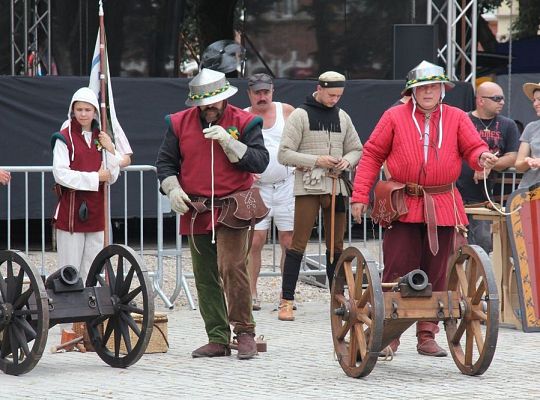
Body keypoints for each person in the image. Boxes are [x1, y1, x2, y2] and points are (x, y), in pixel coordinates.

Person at [350, 61, 498, 357]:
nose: (428, 91)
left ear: (442, 89)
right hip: (402, 202)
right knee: (397, 268)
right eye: (422, 87)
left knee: (438, 270)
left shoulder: (456, 117)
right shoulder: (393, 116)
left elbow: (472, 147)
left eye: (433, 86)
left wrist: (482, 156)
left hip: (442, 202)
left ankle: (427, 334)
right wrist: (358, 196)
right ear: (412, 91)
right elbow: (372, 155)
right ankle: (389, 333)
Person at [156, 68, 269, 359]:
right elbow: (165, 164)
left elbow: (259, 162)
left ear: (224, 98)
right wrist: (172, 189)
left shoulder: (245, 121)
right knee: (204, 274)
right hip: (196, 208)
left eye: (214, 103)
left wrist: (229, 142)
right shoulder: (179, 124)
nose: (208, 109)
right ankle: (217, 337)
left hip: (233, 206)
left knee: (232, 268)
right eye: (202, 104)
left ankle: (244, 332)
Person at [277, 71, 363, 321]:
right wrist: (317, 160)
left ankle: (338, 299)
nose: (335, 99)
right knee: (298, 244)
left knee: (336, 247)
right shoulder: (299, 115)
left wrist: (346, 161)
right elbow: (284, 154)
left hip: (336, 187)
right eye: (331, 94)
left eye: (339, 95)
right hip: (308, 188)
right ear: (319, 88)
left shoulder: (343, 116)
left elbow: (357, 148)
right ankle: (286, 301)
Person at [51, 87, 121, 280]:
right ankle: (69, 307)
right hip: (71, 211)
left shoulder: (102, 138)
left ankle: (92, 305)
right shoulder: (63, 138)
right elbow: (60, 174)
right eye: (79, 109)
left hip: (97, 210)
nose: (83, 114)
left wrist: (111, 150)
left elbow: (112, 174)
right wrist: (94, 178)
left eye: (87, 110)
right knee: (70, 269)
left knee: (93, 267)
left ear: (95, 112)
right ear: (72, 110)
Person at [244, 73, 295, 311]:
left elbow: (303, 138)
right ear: (250, 94)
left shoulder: (287, 111)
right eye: (258, 93)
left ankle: (286, 296)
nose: (262, 97)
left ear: (273, 92)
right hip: (256, 187)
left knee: (289, 240)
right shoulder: (242, 116)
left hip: (287, 184)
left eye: (266, 92)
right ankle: (251, 293)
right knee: (255, 241)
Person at [457, 82, 519, 254]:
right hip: (455, 192)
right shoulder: (463, 119)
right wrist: (475, 162)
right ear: (481, 101)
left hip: (485, 196)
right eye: (496, 98)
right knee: (456, 245)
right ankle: (455, 280)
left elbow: (513, 156)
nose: (502, 102)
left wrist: (489, 165)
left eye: (503, 98)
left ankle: (480, 281)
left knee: (483, 244)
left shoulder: (508, 125)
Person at [515, 81, 540, 188]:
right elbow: (518, 166)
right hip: (529, 192)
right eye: (534, 100)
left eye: (539, 100)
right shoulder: (531, 127)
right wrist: (528, 162)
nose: (535, 104)